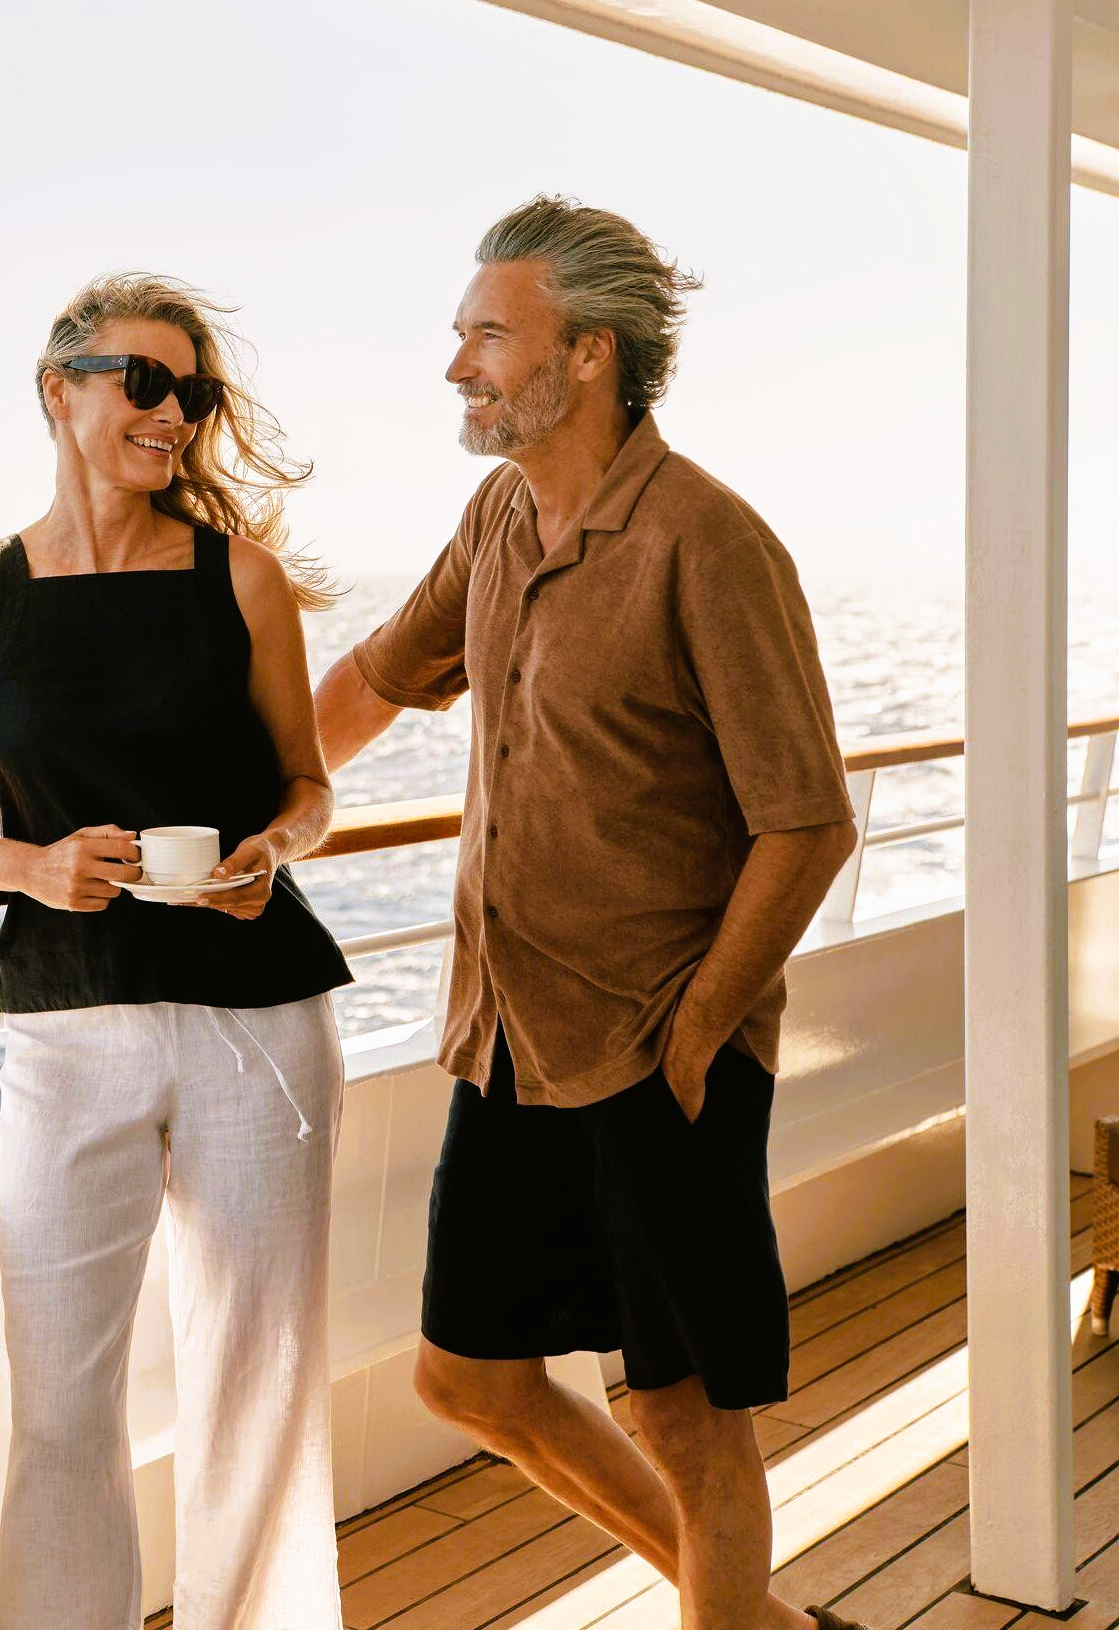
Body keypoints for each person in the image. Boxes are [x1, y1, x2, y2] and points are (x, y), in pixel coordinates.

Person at [313, 197, 862, 1630]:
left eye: (487, 336)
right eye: (462, 337)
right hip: (509, 1033)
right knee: (468, 1375)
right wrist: (259, 811)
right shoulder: (500, 514)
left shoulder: (707, 542)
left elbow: (806, 819)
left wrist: (693, 1035)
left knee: (687, 1411)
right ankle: (752, 1615)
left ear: (589, 355)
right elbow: (376, 677)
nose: (458, 367)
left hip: (654, 1044)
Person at [0, 273, 352, 1630]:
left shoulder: (240, 579)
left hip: (256, 1018)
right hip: (66, 1028)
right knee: (59, 1400)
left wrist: (275, 852)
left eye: (190, 393)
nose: (171, 414)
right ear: (60, 388)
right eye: (144, 382)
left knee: (258, 1380)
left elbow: (308, 787)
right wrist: (30, 866)